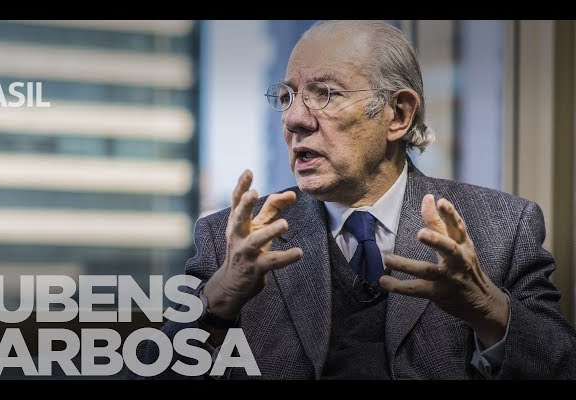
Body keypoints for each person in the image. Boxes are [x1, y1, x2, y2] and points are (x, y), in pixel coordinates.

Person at [133, 20, 576, 379]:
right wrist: (219, 300)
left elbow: (562, 366)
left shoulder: (502, 227)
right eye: (287, 96)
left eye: (324, 93)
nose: (294, 118)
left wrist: (488, 309)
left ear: (398, 114)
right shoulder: (233, 238)